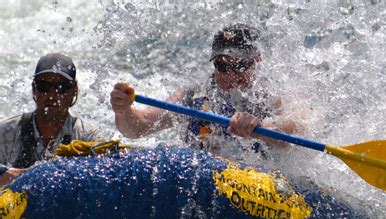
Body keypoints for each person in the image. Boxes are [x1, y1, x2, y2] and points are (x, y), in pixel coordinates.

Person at [110, 24, 298, 158]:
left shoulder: (271, 93)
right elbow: (138, 127)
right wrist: (123, 110)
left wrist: (263, 130)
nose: (231, 75)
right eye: (222, 66)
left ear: (256, 61)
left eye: (240, 66)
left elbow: (298, 131)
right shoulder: (193, 95)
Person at [0, 53, 102, 186]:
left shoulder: (88, 138)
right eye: (44, 86)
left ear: (74, 91)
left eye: (61, 88)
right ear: (34, 89)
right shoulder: (6, 132)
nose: (52, 95)